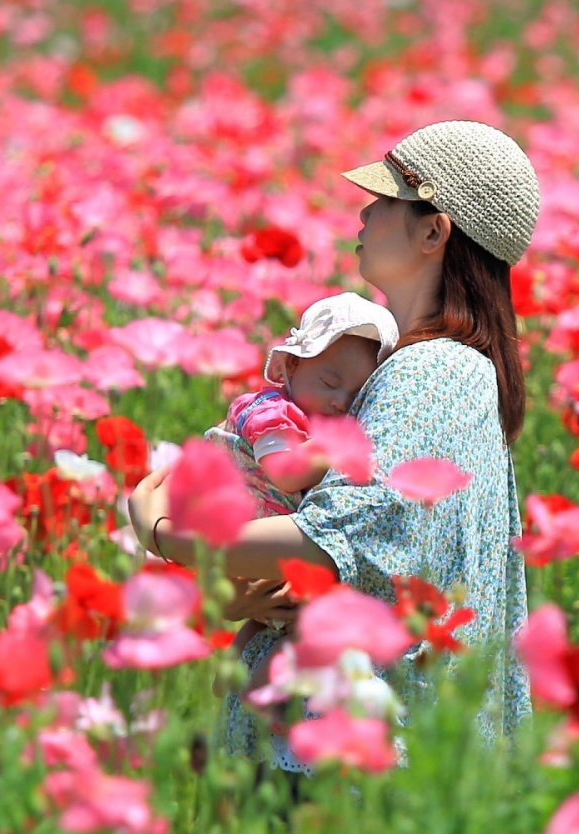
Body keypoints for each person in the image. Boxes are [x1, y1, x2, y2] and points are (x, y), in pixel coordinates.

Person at [128, 119, 539, 773]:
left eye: (384, 200)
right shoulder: (438, 370)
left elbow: (343, 536)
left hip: (345, 756)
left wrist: (163, 532)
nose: (365, 211)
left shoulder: (433, 370)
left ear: (434, 231)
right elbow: (375, 570)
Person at [205, 291, 399, 692]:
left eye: (354, 398)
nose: (338, 401)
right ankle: (268, 685)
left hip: (264, 541)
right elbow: (284, 472)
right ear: (290, 365)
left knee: (271, 619)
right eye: (330, 382)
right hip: (250, 533)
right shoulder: (270, 411)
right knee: (315, 616)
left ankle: (236, 668)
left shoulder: (304, 416)